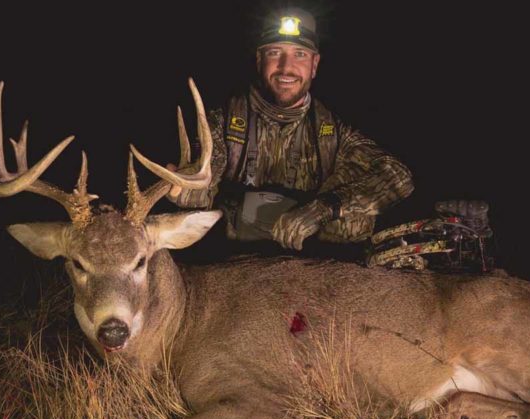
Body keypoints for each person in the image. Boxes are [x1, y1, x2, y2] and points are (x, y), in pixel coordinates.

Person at [168, 7, 414, 251]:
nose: (286, 67)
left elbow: (400, 177)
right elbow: (201, 193)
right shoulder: (224, 121)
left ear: (314, 64)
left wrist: (325, 208)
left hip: (313, 259)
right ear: (259, 59)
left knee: (356, 205)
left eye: (300, 54)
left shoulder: (333, 131)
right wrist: (184, 187)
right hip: (231, 254)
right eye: (275, 53)